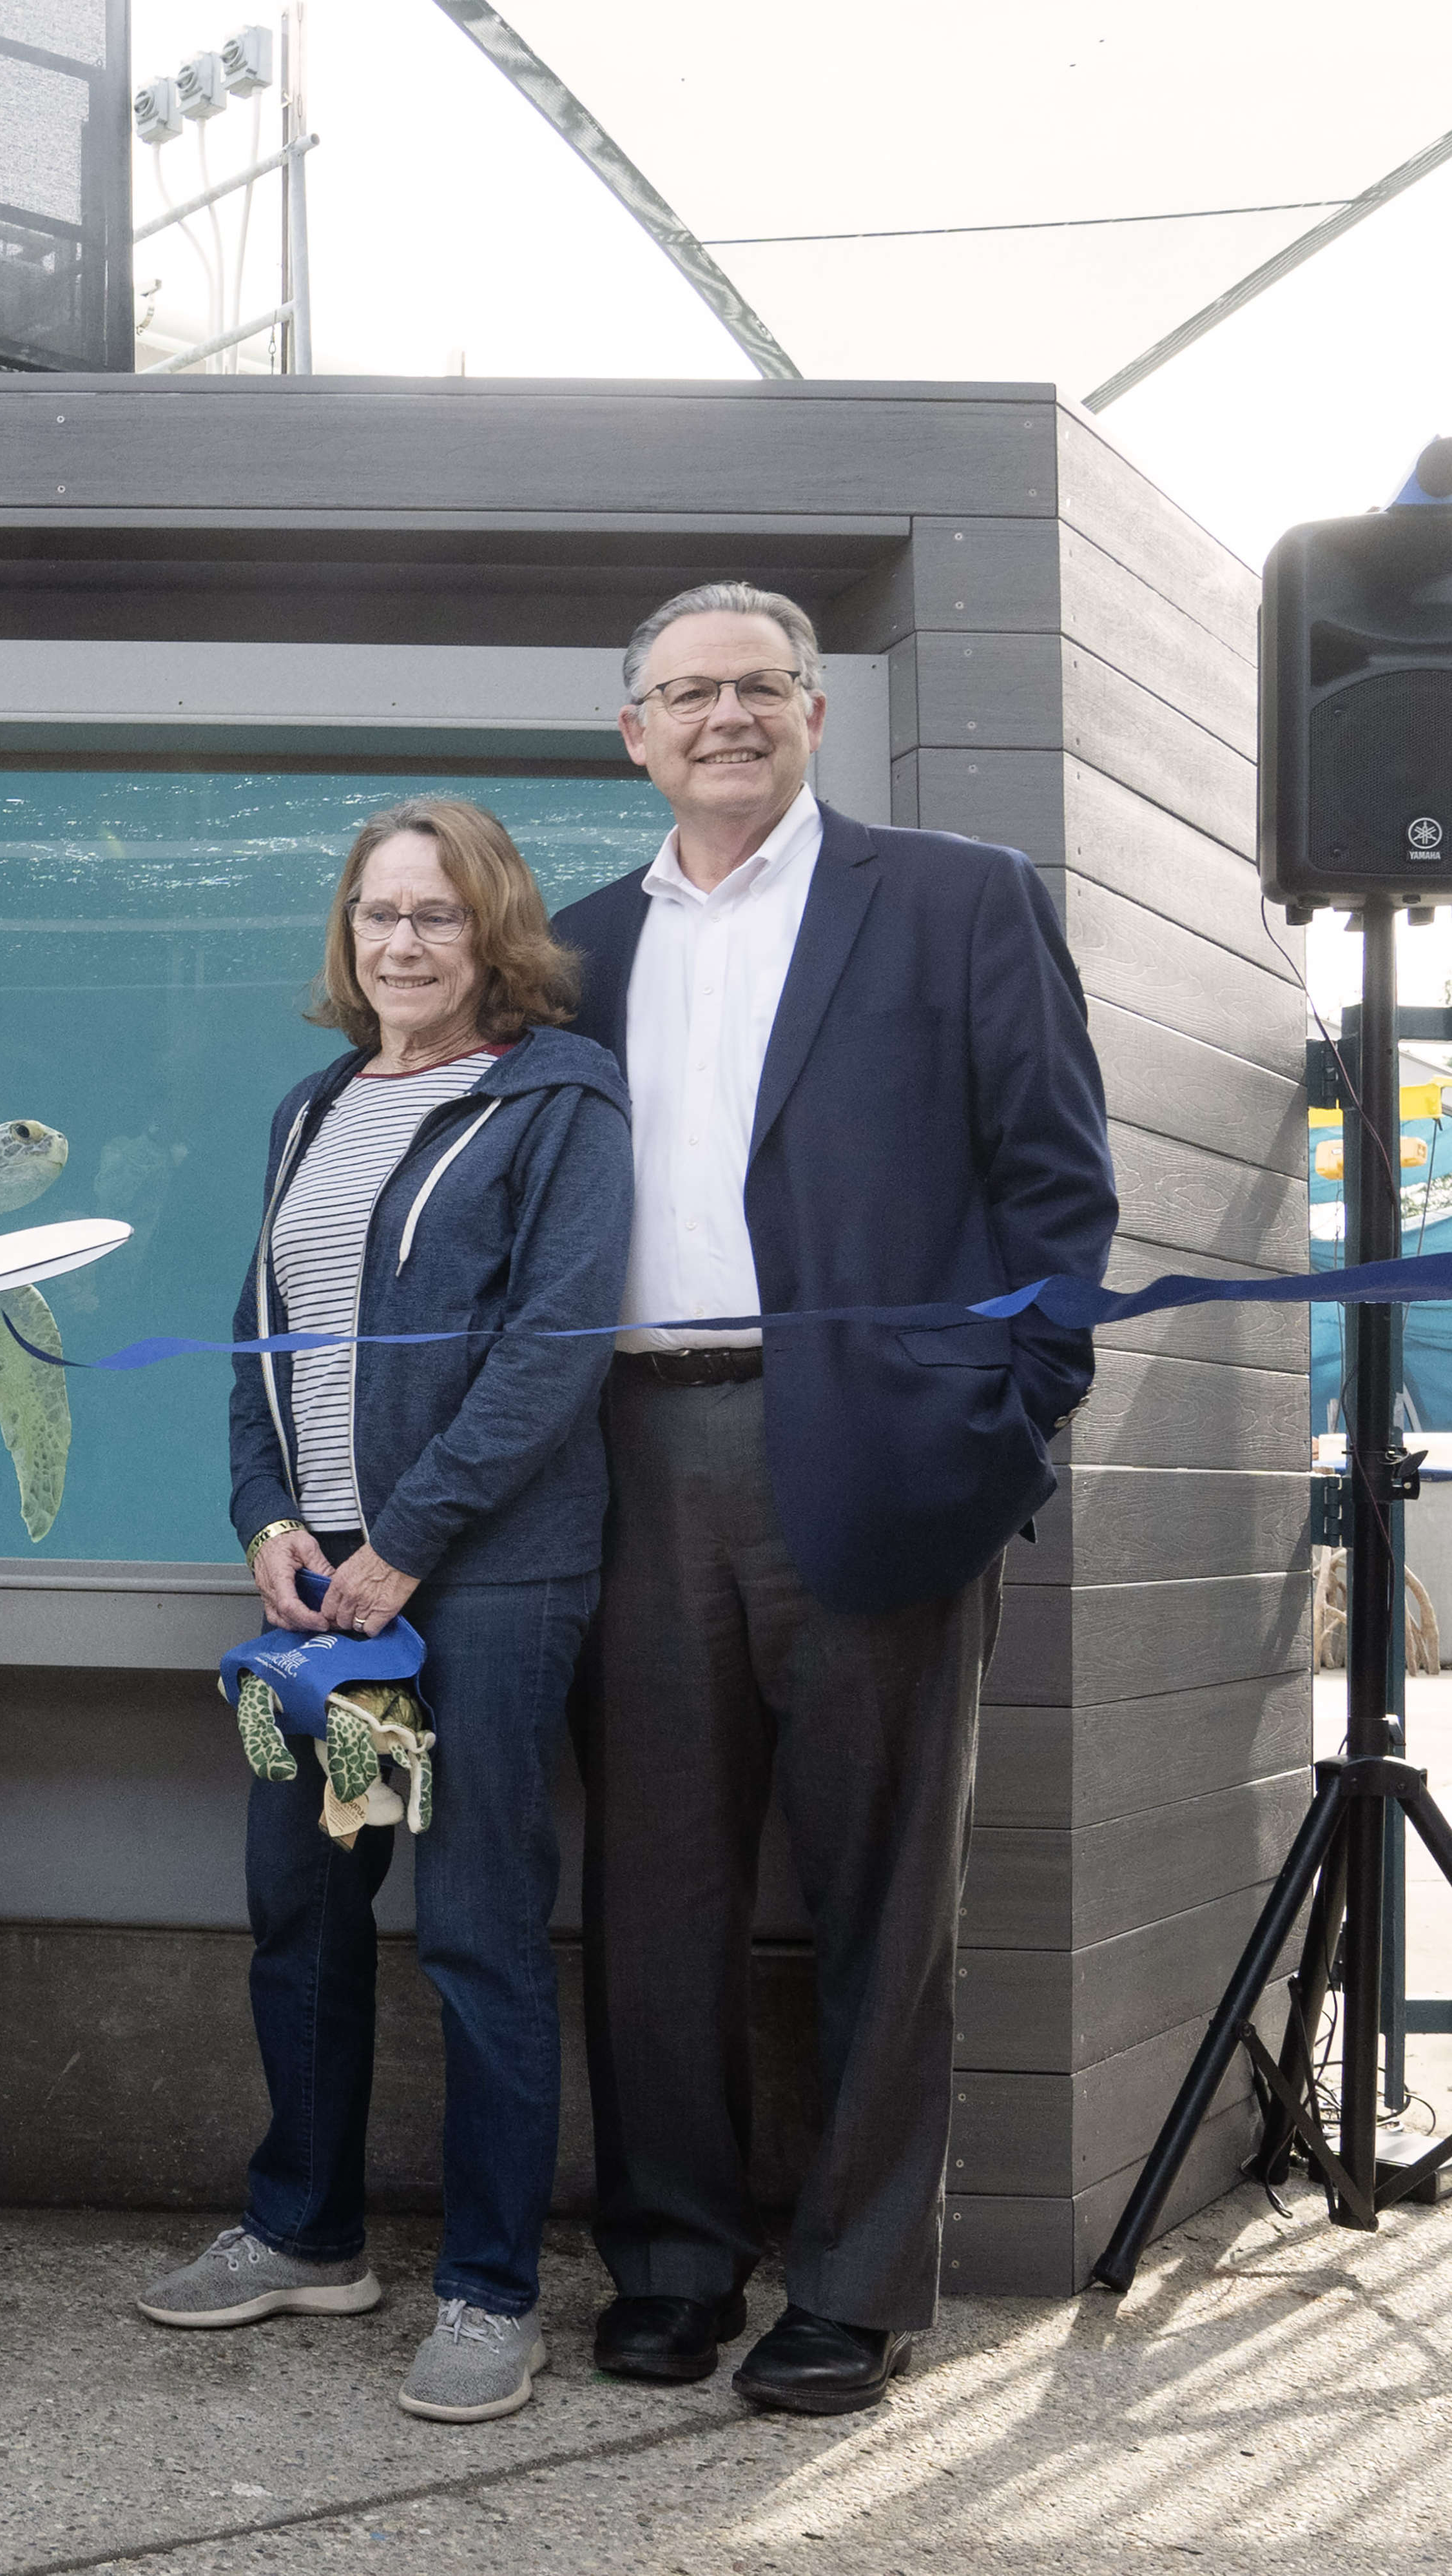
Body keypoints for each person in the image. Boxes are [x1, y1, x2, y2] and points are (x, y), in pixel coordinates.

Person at [556, 583, 1114, 2414]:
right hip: (635, 1457)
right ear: (631, 733)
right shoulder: (570, 953)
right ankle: (674, 2261)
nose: (723, 715)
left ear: (814, 712)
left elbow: (1058, 1193)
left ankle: (857, 2287)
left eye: (757, 686)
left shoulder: (958, 900)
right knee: (654, 1892)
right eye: (684, 694)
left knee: (890, 1891)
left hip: (875, 1458)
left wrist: (1002, 1426)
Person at [140, 797, 632, 2426]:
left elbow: (555, 1348)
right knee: (308, 1904)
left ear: (493, 932)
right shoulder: (312, 1109)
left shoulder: (559, 1097)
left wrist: (403, 1544)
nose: (401, 944)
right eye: (376, 918)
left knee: (482, 1930)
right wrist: (265, 1519)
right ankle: (307, 2231)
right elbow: (258, 1339)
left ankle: (492, 2291)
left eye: (434, 916)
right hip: (323, 1609)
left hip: (478, 1590)